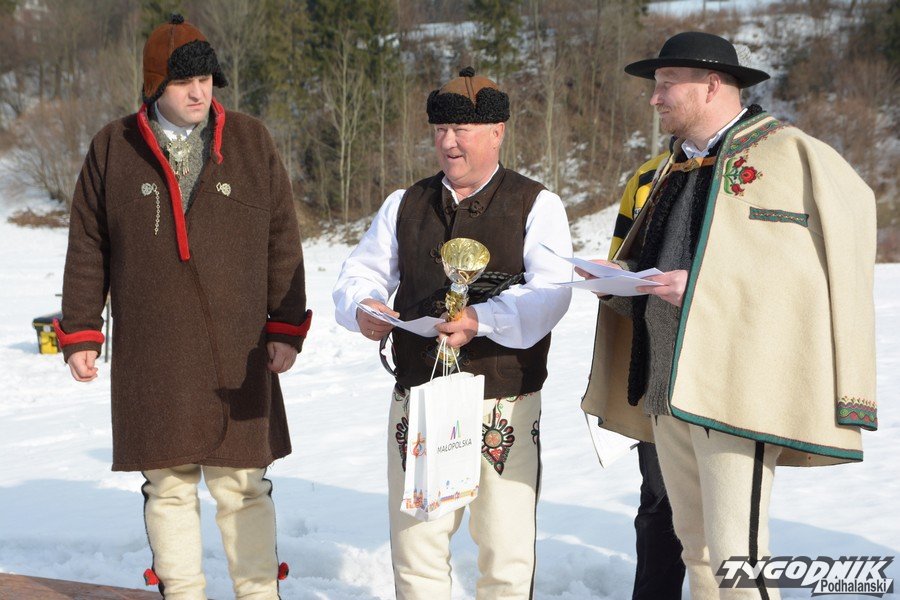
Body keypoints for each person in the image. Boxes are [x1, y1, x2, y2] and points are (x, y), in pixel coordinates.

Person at [581, 31, 876, 599]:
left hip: (736, 391)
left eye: (667, 84)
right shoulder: (671, 167)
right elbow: (665, 270)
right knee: (696, 549)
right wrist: (619, 281)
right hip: (667, 391)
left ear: (712, 84)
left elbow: (814, 276)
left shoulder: (787, 156)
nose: (655, 98)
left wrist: (700, 287)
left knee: (738, 557)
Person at [55, 14, 310, 600]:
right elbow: (88, 244)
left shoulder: (250, 141)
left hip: (238, 350)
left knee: (243, 485)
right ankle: (183, 593)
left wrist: (285, 325)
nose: (199, 93)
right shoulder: (113, 147)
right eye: (183, 83)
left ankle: (258, 593)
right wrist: (82, 330)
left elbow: (282, 238)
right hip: (154, 351)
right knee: (167, 485)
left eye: (206, 80)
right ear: (154, 87)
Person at [333, 67, 572, 599]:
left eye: (462, 130)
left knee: (506, 552)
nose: (448, 142)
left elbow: (552, 292)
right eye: (440, 129)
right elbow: (360, 273)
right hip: (419, 395)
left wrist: (482, 320)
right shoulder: (404, 203)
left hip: (502, 401)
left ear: (497, 131)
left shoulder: (536, 204)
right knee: (416, 548)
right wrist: (363, 307)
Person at [613, 154, 687, 600]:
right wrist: (611, 279)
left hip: (729, 378)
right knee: (659, 504)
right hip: (660, 376)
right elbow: (626, 259)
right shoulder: (648, 174)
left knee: (730, 516)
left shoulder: (757, 165)